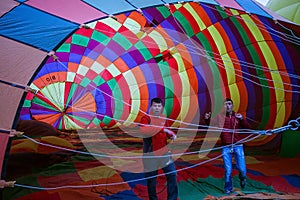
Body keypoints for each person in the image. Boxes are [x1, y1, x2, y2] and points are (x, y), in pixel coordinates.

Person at [203, 98, 250, 194]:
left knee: (242, 168)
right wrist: (207, 119)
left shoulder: (237, 116)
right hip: (225, 146)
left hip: (238, 145)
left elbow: (247, 127)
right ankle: (228, 188)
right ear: (223, 107)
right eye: (225, 104)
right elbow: (211, 125)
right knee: (228, 170)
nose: (228, 106)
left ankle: (242, 178)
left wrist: (242, 119)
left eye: (229, 104)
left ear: (232, 106)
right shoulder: (219, 117)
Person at [140, 97, 178, 200]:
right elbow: (144, 130)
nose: (157, 108)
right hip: (150, 154)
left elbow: (168, 130)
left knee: (172, 174)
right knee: (151, 180)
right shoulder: (146, 119)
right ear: (151, 107)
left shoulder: (164, 118)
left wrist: (172, 135)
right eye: (155, 106)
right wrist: (164, 130)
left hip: (164, 153)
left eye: (159, 106)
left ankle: (172, 198)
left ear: (161, 107)